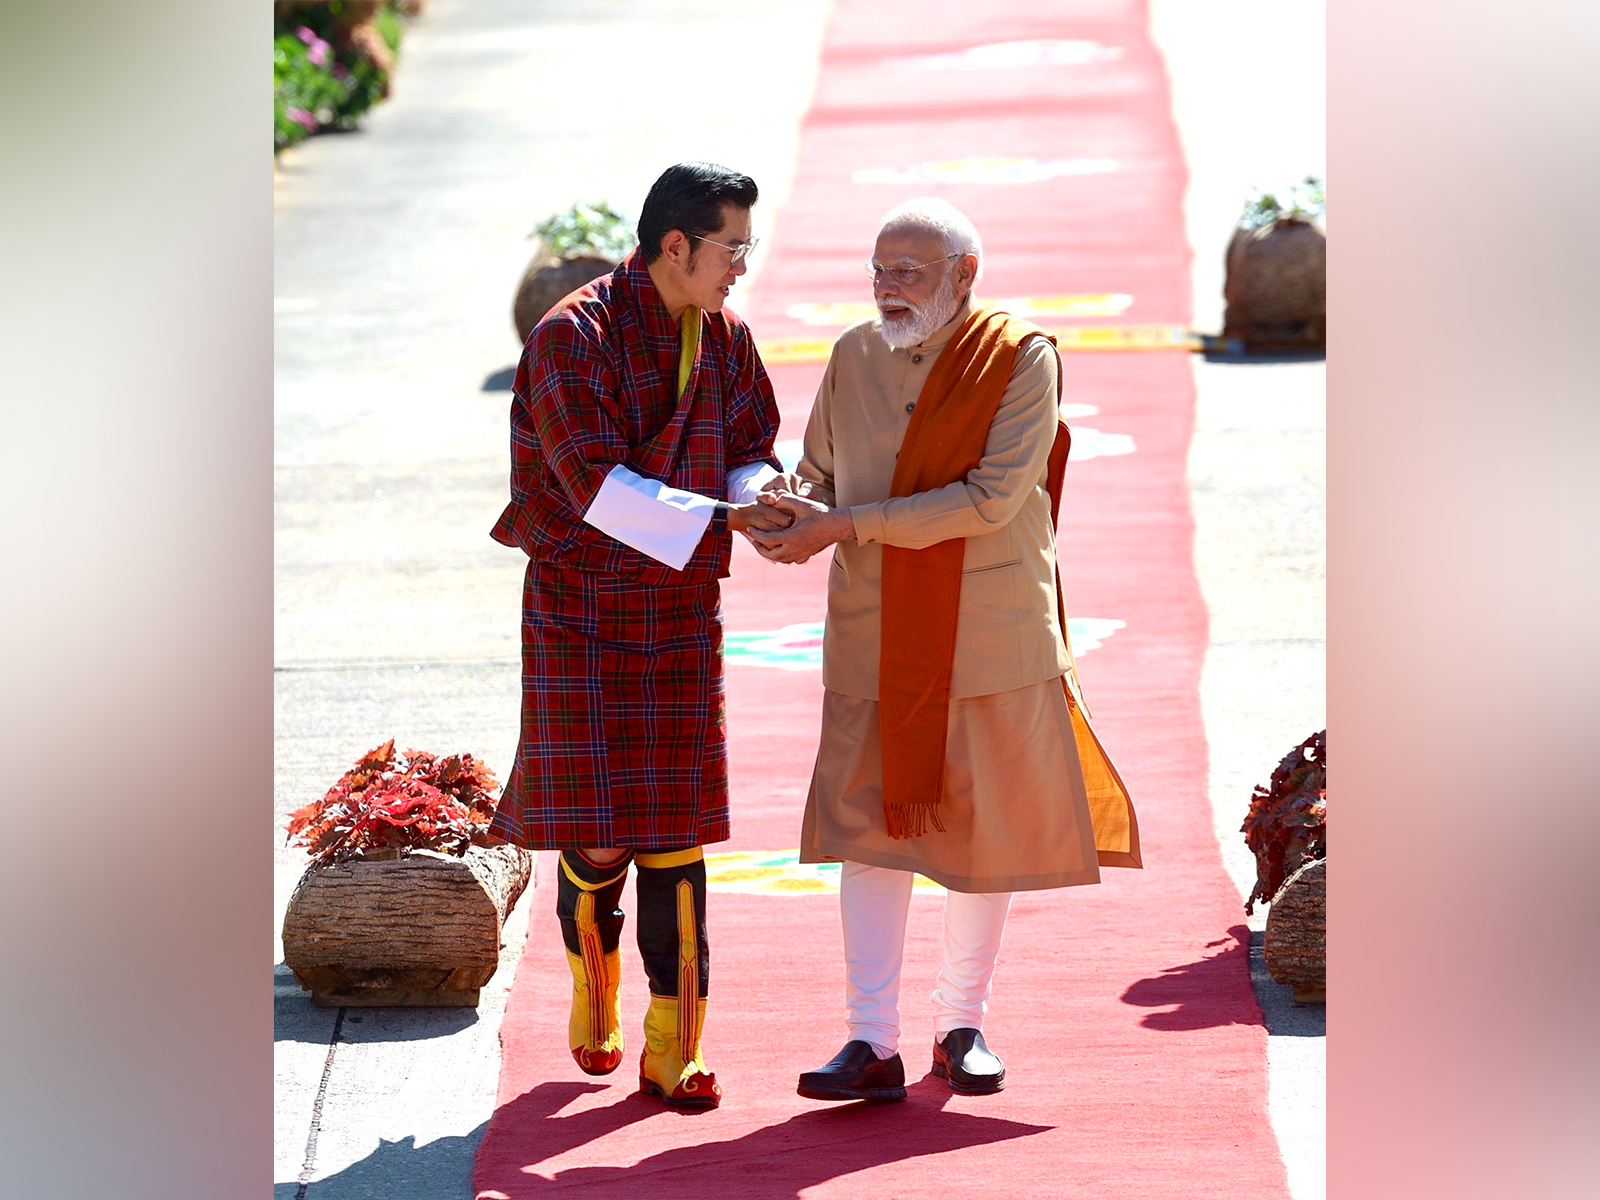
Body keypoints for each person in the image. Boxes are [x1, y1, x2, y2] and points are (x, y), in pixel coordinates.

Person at [750, 198, 1142, 1102]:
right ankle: (870, 1041)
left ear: (965, 276)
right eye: (878, 270)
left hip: (988, 631)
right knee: (868, 834)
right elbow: (821, 472)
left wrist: (842, 524)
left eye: (909, 272)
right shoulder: (853, 354)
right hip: (874, 627)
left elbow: (991, 498)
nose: (887, 288)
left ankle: (961, 1026)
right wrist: (788, 509)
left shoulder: (1019, 357)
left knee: (982, 833)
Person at [488, 162, 798, 1110]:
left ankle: (676, 1044)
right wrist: (730, 519)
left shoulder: (725, 336)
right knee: (599, 838)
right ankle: (594, 981)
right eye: (732, 247)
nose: (741, 265)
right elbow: (598, 491)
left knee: (677, 838)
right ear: (675, 246)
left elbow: (749, 445)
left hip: (679, 608)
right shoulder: (571, 336)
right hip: (581, 605)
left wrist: (765, 491)